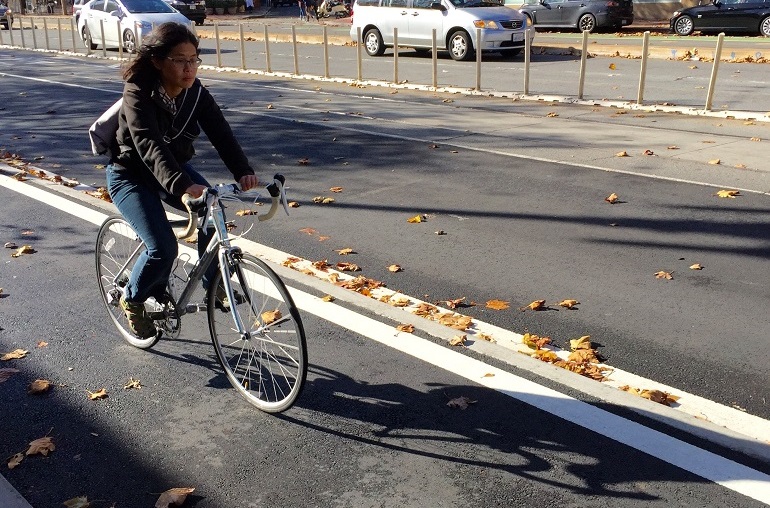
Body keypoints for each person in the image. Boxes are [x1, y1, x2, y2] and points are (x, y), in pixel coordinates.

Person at [105, 22, 259, 338]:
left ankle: (213, 283)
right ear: (158, 61)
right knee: (163, 247)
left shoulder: (195, 93)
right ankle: (132, 299)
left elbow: (221, 131)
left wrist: (242, 170)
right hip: (130, 175)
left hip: (173, 170)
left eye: (194, 59)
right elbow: (148, 142)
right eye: (179, 59)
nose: (189, 68)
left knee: (211, 211)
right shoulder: (137, 91)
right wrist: (182, 184)